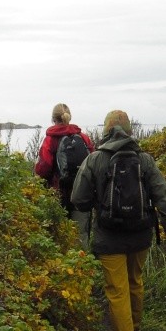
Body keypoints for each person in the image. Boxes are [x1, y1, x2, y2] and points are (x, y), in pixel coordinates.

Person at [71, 110, 166, 331]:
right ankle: (134, 330)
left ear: (107, 129)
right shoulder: (145, 160)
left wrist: (98, 205)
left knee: (117, 291)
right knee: (135, 281)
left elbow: (79, 199)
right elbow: (163, 199)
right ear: (129, 129)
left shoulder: (95, 159)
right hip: (141, 235)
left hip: (109, 238)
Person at [35, 103, 94, 247]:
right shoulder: (84, 138)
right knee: (80, 235)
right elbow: (92, 163)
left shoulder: (50, 140)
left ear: (53, 119)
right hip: (82, 194)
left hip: (58, 195)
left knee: (57, 236)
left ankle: (61, 267)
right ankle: (84, 267)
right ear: (69, 117)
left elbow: (43, 169)